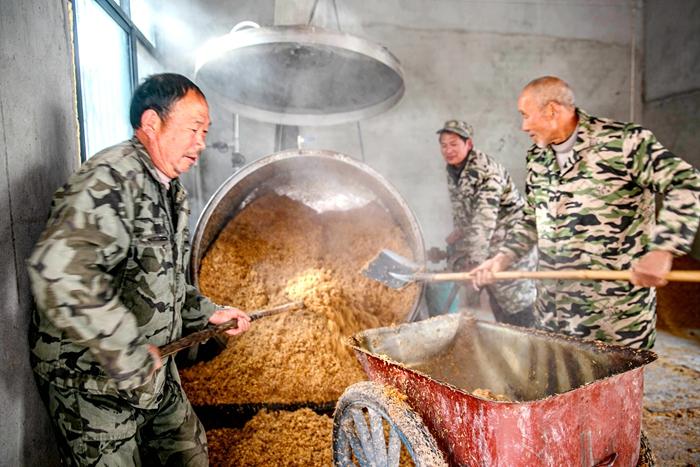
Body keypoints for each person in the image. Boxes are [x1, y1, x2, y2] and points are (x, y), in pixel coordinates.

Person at [27, 73, 251, 466]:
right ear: (152, 123)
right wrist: (126, 350)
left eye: (205, 131)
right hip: (94, 382)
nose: (201, 142)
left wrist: (208, 313)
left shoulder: (170, 190)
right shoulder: (112, 180)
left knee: (189, 451)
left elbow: (166, 282)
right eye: (194, 129)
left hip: (153, 368)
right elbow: (59, 273)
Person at [472, 76, 700, 349]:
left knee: (613, 393)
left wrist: (663, 250)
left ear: (552, 110)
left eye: (526, 116)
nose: (523, 126)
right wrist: (502, 258)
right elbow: (532, 218)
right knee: (559, 390)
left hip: (613, 322)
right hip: (553, 317)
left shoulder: (624, 143)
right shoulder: (537, 157)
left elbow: (687, 182)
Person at [428, 120, 537, 326]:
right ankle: (508, 344)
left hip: (511, 245)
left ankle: (534, 351)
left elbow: (483, 222)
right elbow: (464, 207)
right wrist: (459, 231)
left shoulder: (487, 172)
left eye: (454, 144)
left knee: (517, 304)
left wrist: (474, 262)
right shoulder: (454, 169)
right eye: (443, 145)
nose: (448, 150)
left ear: (468, 144)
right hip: (488, 246)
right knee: (498, 303)